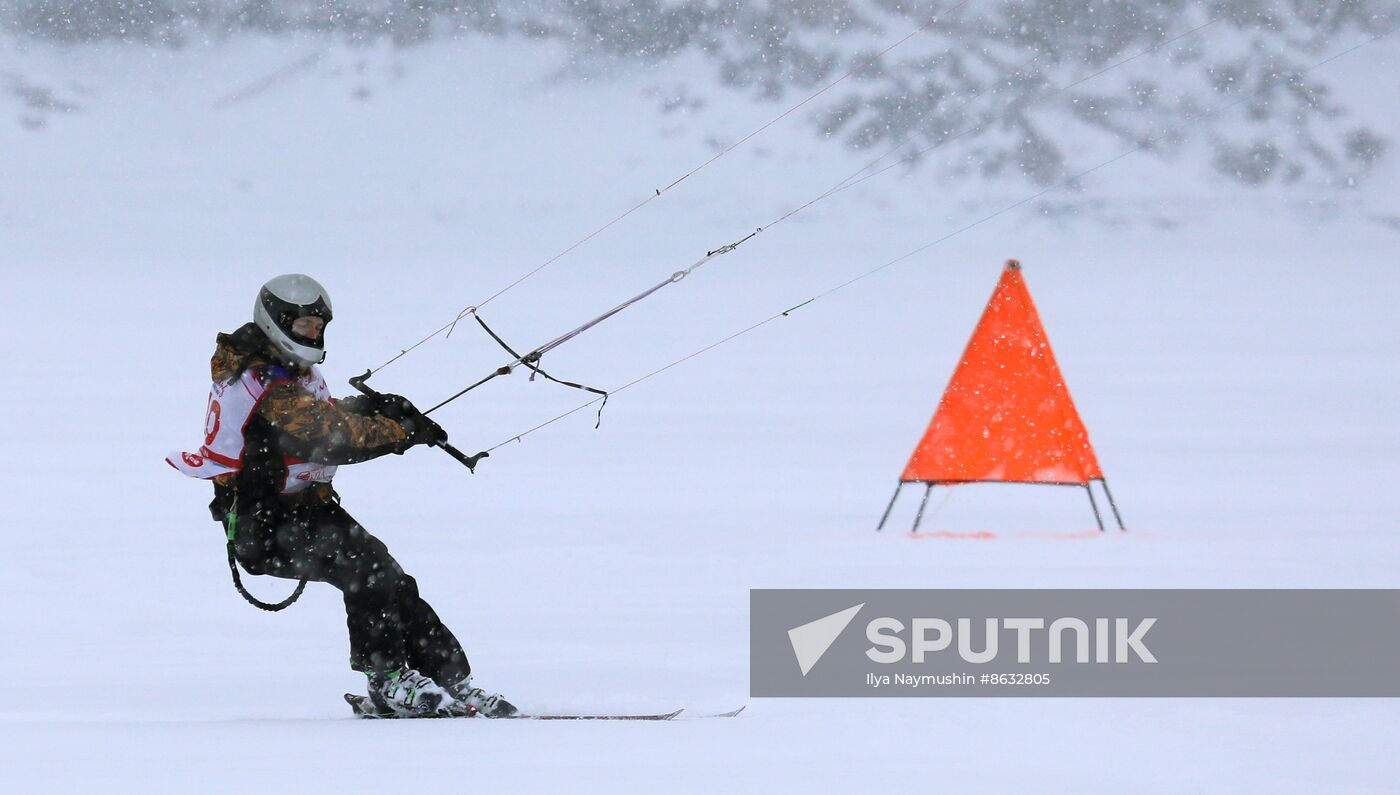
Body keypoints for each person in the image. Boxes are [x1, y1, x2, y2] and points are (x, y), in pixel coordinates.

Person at [167, 274, 515, 718]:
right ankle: (388, 680)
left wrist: (375, 408)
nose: (315, 333)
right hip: (265, 527)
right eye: (306, 325)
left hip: (305, 512)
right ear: (276, 322)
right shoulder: (261, 379)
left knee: (389, 576)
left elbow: (321, 414)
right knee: (365, 570)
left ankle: (453, 682)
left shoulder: (281, 370)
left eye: (319, 325)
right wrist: (401, 432)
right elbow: (325, 437)